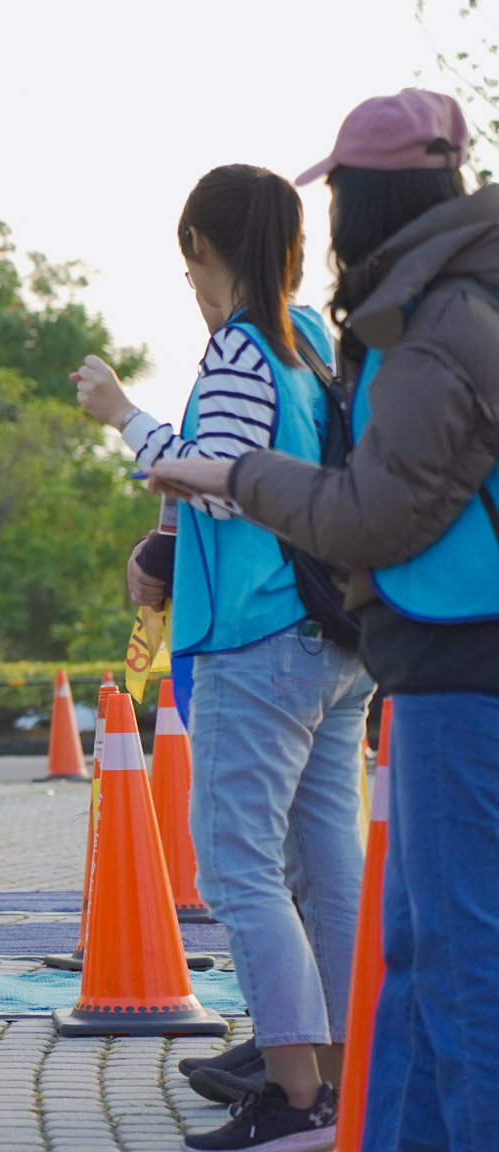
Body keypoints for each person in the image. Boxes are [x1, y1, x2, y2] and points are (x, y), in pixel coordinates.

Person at [150, 89, 499, 1152]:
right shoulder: (354, 326)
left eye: (340, 191)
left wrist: (233, 474)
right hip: (379, 653)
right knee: (396, 930)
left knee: (438, 953)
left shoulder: (427, 324)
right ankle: (345, 1091)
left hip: (432, 661)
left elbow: (374, 512)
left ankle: (296, 1084)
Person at [72, 163, 374, 1151]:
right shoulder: (312, 341)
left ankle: (291, 1095)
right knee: (327, 868)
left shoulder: (242, 349)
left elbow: (228, 480)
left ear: (199, 246)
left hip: (256, 635)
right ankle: (339, 1080)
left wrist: (122, 416)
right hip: (332, 638)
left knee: (238, 866)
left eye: (186, 263)